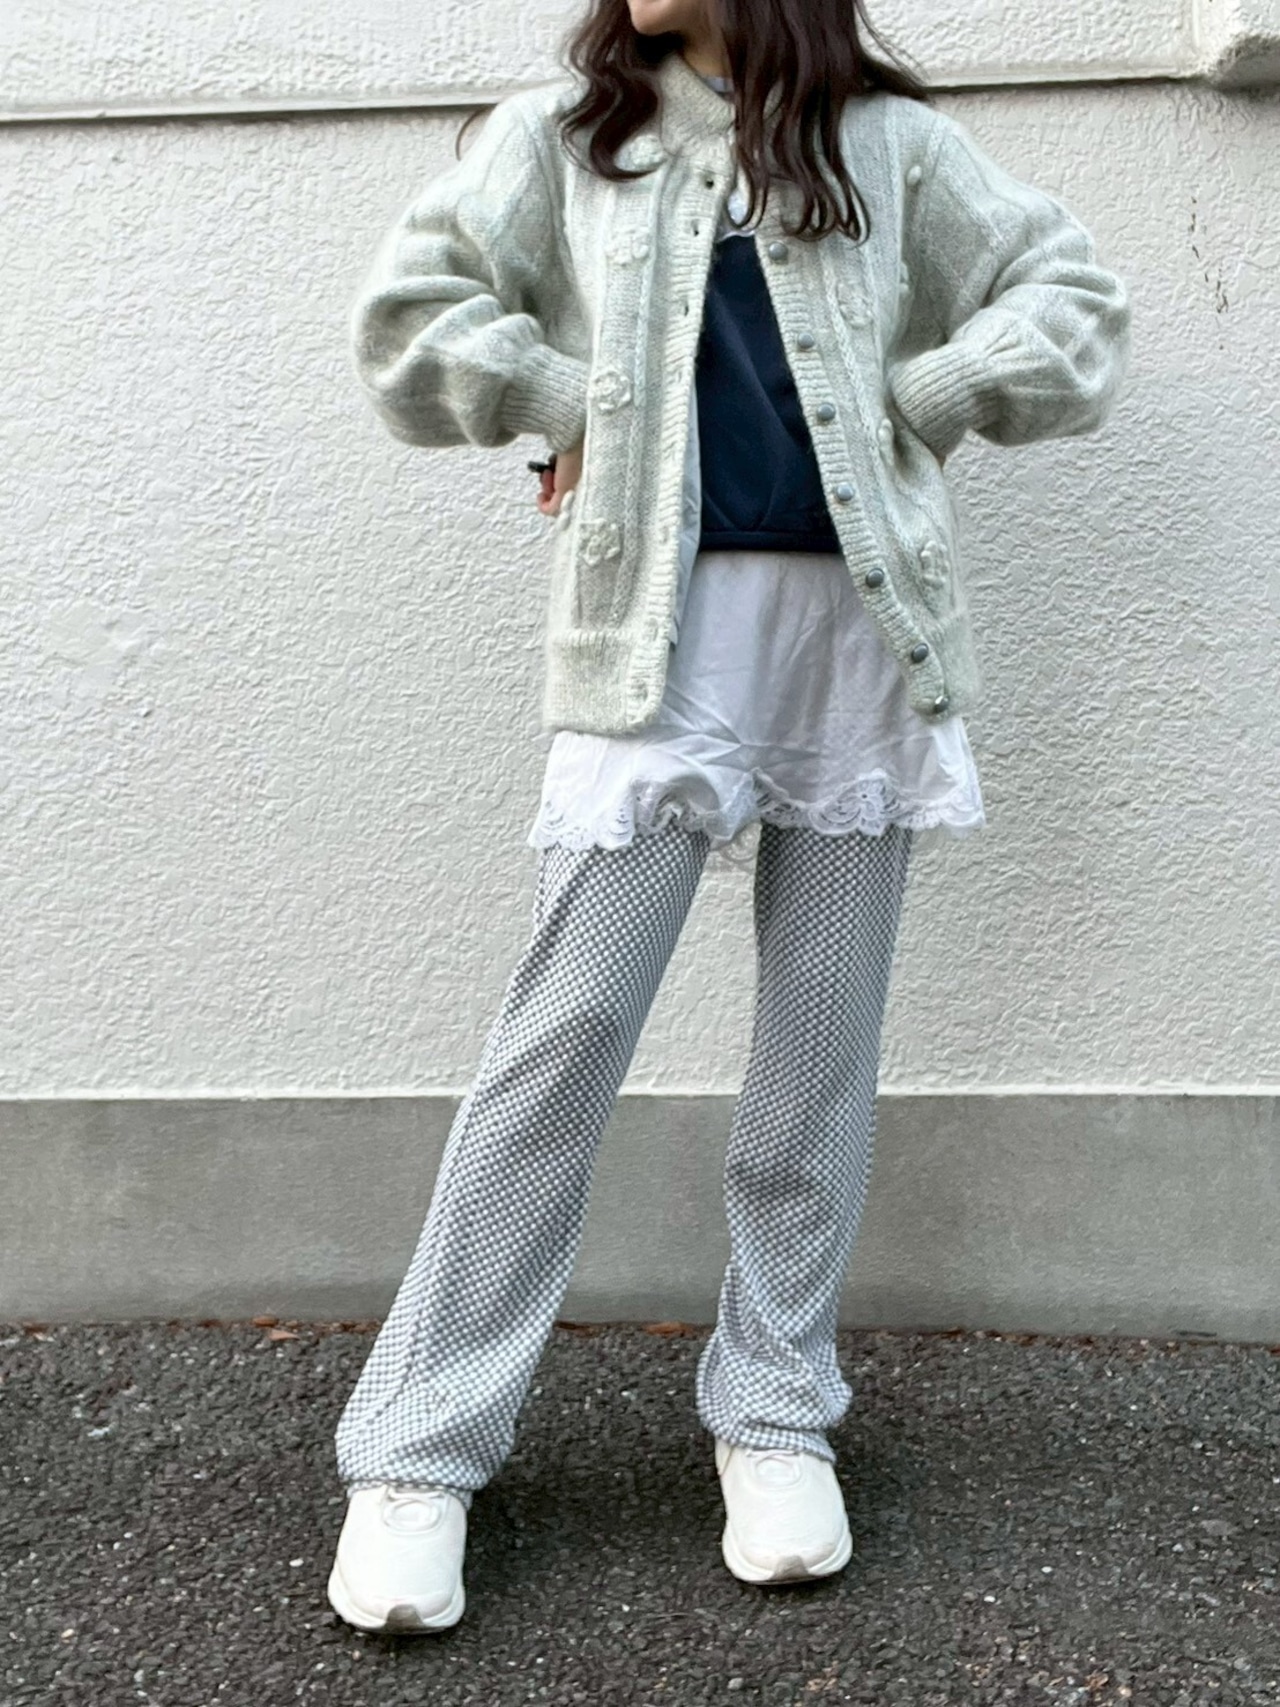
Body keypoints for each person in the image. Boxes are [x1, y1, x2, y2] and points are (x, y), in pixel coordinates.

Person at [326, 0, 1132, 1633]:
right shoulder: (570, 142)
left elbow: (1076, 302)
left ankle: (775, 1413)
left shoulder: (889, 148)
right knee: (562, 1041)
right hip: (657, 649)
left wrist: (936, 386)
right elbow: (410, 316)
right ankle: (416, 1451)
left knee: (818, 1054)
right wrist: (571, 400)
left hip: (859, 650)